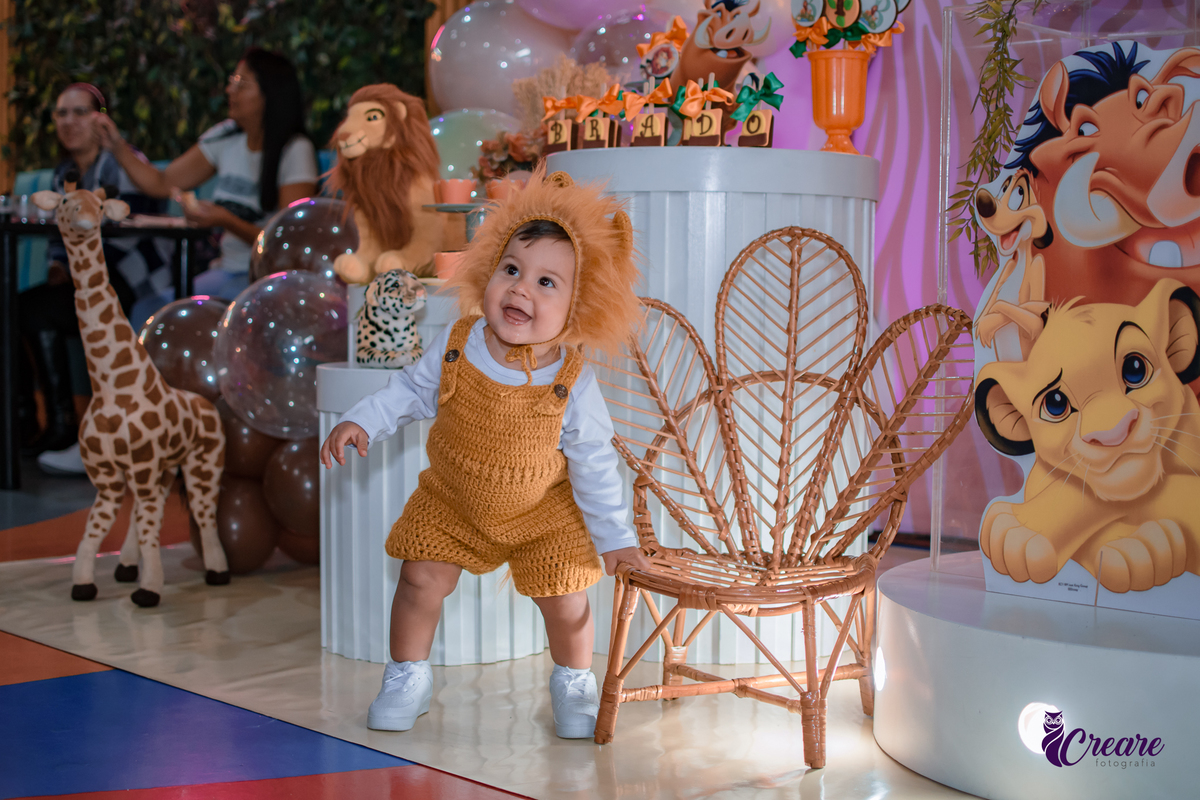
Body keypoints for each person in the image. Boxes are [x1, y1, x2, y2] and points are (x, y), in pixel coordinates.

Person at [319, 168, 651, 738]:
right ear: (489, 269)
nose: (521, 289)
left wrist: (615, 538)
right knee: (418, 580)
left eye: (547, 282)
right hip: (453, 501)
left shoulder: (572, 381)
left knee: (568, 601)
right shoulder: (458, 345)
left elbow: (595, 463)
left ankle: (574, 681)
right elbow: (409, 391)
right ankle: (406, 675)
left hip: (542, 515)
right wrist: (362, 420)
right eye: (512, 270)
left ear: (578, 305)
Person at [17, 83, 165, 473]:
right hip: (88, 276)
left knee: (35, 310)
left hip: (134, 277)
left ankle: (67, 426)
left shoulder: (124, 163)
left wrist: (75, 267)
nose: (69, 122)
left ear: (102, 120)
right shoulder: (63, 174)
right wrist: (59, 266)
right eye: (61, 114)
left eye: (80, 112)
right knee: (18, 307)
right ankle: (35, 421)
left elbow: (131, 228)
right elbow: (59, 235)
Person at [95, 47, 318, 300]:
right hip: (226, 270)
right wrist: (117, 145)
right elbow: (162, 182)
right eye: (232, 81)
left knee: (225, 306)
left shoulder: (295, 149)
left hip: (269, 276)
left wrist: (226, 220)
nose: (229, 90)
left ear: (271, 93)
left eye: (241, 83)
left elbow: (288, 241)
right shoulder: (226, 136)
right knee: (149, 309)